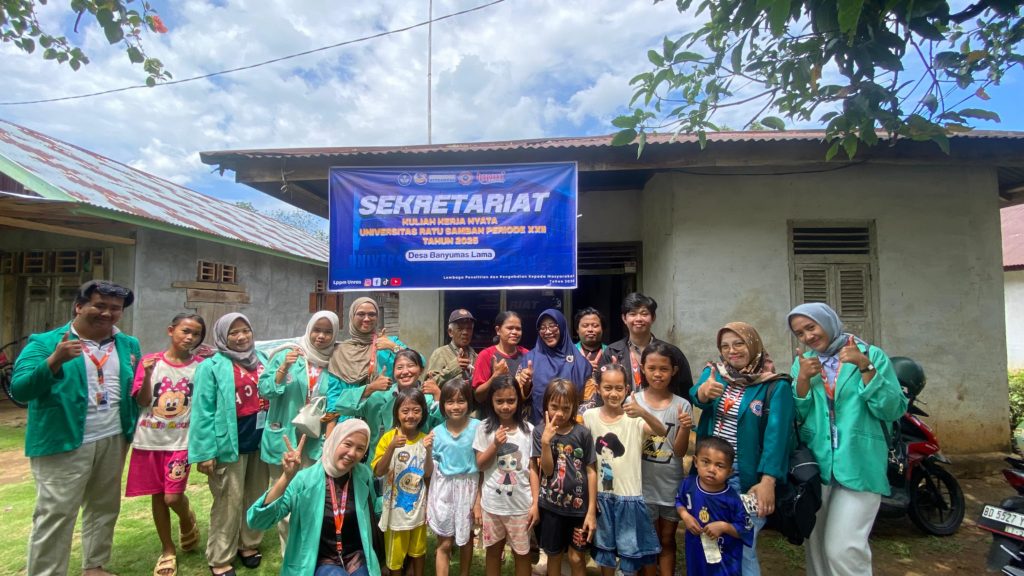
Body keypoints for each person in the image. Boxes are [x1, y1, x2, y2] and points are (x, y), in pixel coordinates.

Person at [11, 280, 140, 576]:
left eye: (115, 308)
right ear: (79, 307)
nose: (107, 313)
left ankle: (94, 566)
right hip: (63, 441)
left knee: (104, 507)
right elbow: (20, 390)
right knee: (56, 514)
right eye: (99, 305)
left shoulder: (128, 344)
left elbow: (132, 388)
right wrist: (54, 361)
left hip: (113, 438)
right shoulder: (45, 343)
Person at [788, 303, 907, 576]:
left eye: (811, 327)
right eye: (800, 333)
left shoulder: (870, 354)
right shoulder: (804, 362)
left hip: (859, 462)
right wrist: (802, 379)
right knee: (816, 545)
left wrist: (865, 366)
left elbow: (893, 409)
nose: (807, 337)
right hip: (816, 465)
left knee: (843, 548)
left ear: (828, 322)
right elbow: (797, 416)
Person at [690, 322, 794, 575]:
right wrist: (703, 392)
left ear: (753, 344)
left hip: (746, 477)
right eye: (725, 346)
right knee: (711, 542)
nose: (732, 351)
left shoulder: (775, 385)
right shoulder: (715, 373)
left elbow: (778, 438)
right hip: (710, 473)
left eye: (739, 344)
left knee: (743, 546)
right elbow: (696, 397)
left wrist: (768, 480)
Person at [188, 312, 270, 575]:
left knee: (257, 496)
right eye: (233, 332)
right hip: (229, 443)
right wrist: (205, 452)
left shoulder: (262, 359)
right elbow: (202, 411)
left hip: (261, 440)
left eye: (245, 330)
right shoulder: (211, 367)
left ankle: (249, 543)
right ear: (223, 336)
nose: (241, 337)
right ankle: (220, 556)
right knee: (228, 502)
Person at [247, 418, 381, 576]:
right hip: (318, 559)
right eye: (347, 444)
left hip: (355, 557)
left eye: (360, 448)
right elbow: (258, 521)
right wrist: (286, 477)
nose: (352, 453)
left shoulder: (363, 476)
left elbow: (375, 511)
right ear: (334, 441)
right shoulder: (304, 480)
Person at [126, 312, 206, 576]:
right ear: (171, 330)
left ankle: (186, 517)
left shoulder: (200, 367)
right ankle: (167, 550)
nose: (190, 337)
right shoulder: (150, 362)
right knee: (158, 496)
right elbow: (142, 401)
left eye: (196, 334)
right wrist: (148, 374)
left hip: (181, 442)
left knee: (172, 497)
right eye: (185, 331)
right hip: (149, 440)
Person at [259, 311, 346, 549]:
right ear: (309, 329)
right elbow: (265, 390)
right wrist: (284, 367)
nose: (321, 336)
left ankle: (310, 551)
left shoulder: (336, 360)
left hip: (315, 440)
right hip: (286, 437)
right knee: (284, 493)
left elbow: (337, 401)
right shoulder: (287, 354)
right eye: (317, 330)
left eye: (328, 331)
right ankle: (289, 552)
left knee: (311, 495)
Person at [584, 363, 668, 575]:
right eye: (607, 388)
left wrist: (643, 412)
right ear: (598, 388)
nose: (613, 393)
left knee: (630, 552)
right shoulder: (589, 416)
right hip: (600, 497)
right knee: (605, 551)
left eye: (619, 388)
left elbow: (661, 431)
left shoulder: (634, 419)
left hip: (628, 497)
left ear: (627, 389)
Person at [632, 341, 694, 576]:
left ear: (674, 371)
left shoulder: (682, 405)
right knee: (648, 541)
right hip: (642, 486)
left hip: (670, 485)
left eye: (664, 369)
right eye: (652, 368)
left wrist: (685, 428)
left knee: (667, 539)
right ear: (643, 368)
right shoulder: (633, 402)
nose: (657, 374)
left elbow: (679, 452)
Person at [336, 348, 442, 475]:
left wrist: (438, 396)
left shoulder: (429, 400)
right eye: (399, 367)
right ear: (394, 371)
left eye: (410, 366)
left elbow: (443, 429)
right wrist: (370, 388)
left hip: (415, 469)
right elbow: (341, 406)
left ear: (421, 370)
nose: (405, 371)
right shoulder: (379, 396)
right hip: (379, 469)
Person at [531, 378, 597, 576]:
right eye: (554, 407)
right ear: (546, 405)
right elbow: (547, 471)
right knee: (554, 556)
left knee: (577, 558)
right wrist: (545, 443)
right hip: (551, 508)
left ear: (574, 407)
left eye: (566, 408)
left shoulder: (583, 434)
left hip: (579, 510)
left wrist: (591, 511)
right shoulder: (540, 432)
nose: (559, 413)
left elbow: (591, 471)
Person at [473, 375, 537, 576]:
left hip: (521, 506)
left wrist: (535, 504)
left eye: (511, 400)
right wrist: (495, 445)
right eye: (499, 401)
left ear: (519, 400)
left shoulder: (528, 430)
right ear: (491, 402)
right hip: (492, 505)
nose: (506, 406)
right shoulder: (484, 428)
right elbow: (480, 465)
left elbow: (533, 470)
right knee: (493, 553)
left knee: (522, 554)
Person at [372, 387, 434, 576]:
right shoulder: (388, 438)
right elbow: (379, 471)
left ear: (423, 412)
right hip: (395, 513)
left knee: (419, 552)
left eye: (416, 410)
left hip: (418, 510)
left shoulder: (425, 439)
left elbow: (428, 473)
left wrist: (428, 451)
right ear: (397, 413)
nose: (411, 416)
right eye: (405, 411)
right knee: (395, 559)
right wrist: (391, 447)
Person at [676, 437, 754, 576]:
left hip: (724, 562)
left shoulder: (732, 500)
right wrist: (685, 515)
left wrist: (724, 527)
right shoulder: (688, 484)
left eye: (720, 466)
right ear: (695, 462)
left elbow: (746, 529)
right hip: (695, 555)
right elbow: (679, 501)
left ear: (729, 472)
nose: (712, 469)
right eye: (706, 462)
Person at [428, 378, 482, 576]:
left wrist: (478, 501)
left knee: (466, 539)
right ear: (442, 404)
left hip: (469, 489)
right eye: (450, 402)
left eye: (461, 401)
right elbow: (430, 470)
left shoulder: (478, 428)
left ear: (469, 402)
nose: (456, 407)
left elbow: (482, 468)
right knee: (445, 542)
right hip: (444, 491)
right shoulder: (436, 433)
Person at [605, 293, 693, 397]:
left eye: (644, 314)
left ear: (653, 317)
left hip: (663, 407)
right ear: (624, 318)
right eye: (633, 314)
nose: (638, 319)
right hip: (624, 407)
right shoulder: (612, 352)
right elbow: (602, 389)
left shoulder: (672, 352)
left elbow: (685, 391)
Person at [522, 309, 592, 424]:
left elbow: (589, 401)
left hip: (571, 427)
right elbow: (516, 397)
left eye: (552, 326)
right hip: (538, 426)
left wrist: (572, 426)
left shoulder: (580, 363)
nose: (548, 331)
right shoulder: (529, 360)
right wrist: (525, 386)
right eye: (542, 328)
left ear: (562, 327)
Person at [328, 296, 406, 388]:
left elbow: (418, 362)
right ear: (352, 317)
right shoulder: (340, 351)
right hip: (354, 398)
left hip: (388, 397)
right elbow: (334, 393)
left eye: (372, 314)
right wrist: (369, 389)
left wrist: (393, 347)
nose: (366, 319)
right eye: (361, 314)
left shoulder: (389, 342)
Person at [472, 311, 529, 403]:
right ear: (498, 330)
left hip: (521, 410)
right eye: (510, 328)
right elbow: (478, 397)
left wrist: (527, 384)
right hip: (493, 411)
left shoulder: (527, 354)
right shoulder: (486, 355)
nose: (515, 332)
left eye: (518, 329)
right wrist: (495, 376)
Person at [427, 308, 478, 387]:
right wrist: (454, 367)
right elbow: (428, 384)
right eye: (460, 328)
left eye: (469, 329)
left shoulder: (476, 356)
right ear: (450, 332)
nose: (465, 332)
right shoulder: (440, 353)